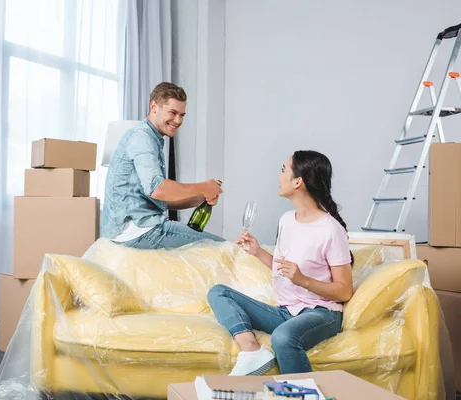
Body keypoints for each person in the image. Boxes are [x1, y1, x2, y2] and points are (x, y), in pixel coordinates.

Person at [207, 150, 354, 376]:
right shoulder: (286, 220)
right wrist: (258, 252)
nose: (279, 176)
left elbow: (344, 291)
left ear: (298, 181)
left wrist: (303, 280)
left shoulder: (331, 230)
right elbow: (284, 269)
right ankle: (252, 350)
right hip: (286, 312)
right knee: (219, 293)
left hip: (321, 314)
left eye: (283, 170)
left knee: (283, 337)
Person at [101, 82, 225, 249]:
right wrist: (203, 187)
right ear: (154, 106)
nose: (178, 120)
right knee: (226, 249)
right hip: (138, 230)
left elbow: (157, 198)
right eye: (173, 113)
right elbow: (158, 189)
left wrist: (200, 198)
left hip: (138, 227)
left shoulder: (152, 138)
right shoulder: (141, 137)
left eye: (182, 115)